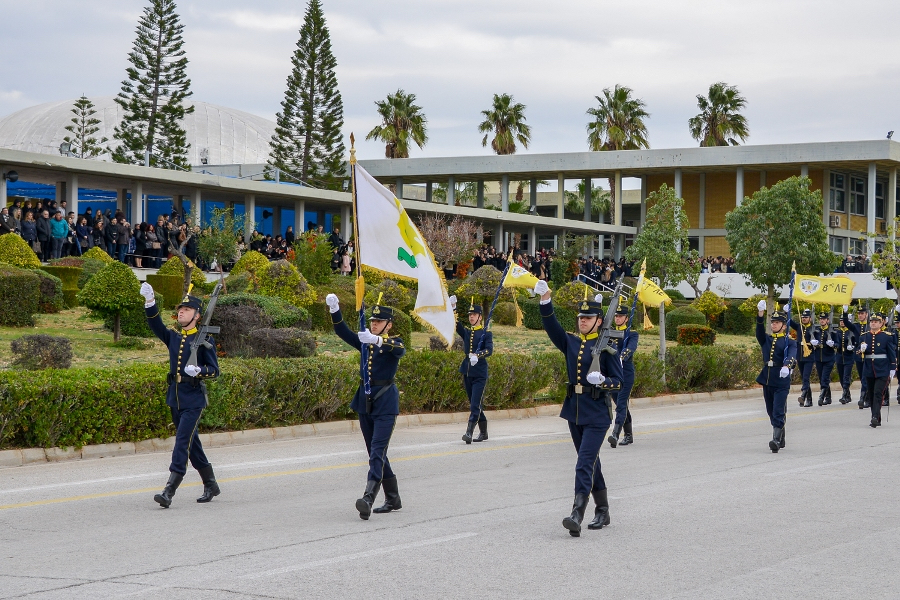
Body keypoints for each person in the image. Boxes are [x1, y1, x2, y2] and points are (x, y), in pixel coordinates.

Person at [535, 280, 624, 536]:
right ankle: (603, 509)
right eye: (580, 317)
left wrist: (604, 381)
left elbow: (619, 384)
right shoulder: (572, 343)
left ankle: (577, 512)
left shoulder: (608, 348)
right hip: (574, 411)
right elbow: (552, 328)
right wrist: (546, 300)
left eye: (588, 318)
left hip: (597, 413)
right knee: (591, 462)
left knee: (584, 462)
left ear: (599, 321)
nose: (582, 321)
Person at [326, 292, 406, 519]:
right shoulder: (364, 341)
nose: (374, 324)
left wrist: (378, 340)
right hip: (365, 402)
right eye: (372, 321)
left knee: (377, 452)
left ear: (388, 325)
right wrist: (335, 310)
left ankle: (368, 497)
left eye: (378, 322)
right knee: (375, 452)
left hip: (386, 403)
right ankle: (393, 498)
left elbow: (400, 350)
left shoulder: (392, 341)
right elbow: (342, 331)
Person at [141, 283, 221, 507]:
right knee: (192, 444)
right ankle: (211, 483)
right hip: (175, 397)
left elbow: (214, 370)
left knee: (181, 442)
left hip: (193, 399)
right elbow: (156, 325)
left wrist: (200, 371)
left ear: (197, 315)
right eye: (180, 310)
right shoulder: (175, 338)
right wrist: (150, 303)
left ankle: (169, 489)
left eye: (186, 310)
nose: (181, 313)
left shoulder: (205, 340)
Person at [450, 295, 493, 444]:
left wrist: (478, 355)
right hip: (467, 371)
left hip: (480, 373)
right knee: (475, 404)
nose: (471, 317)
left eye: (474, 315)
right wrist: (453, 308)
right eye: (470, 315)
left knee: (475, 405)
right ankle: (484, 432)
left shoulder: (486, 333)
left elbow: (489, 350)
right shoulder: (468, 333)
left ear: (480, 317)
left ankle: (468, 432)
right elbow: (457, 326)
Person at [755, 302, 798, 453]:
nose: (774, 325)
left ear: (784, 325)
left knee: (778, 410)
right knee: (770, 410)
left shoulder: (789, 342)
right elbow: (759, 332)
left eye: (777, 322)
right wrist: (760, 314)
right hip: (768, 378)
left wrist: (787, 366)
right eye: (773, 322)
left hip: (781, 379)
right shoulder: (766, 339)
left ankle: (775, 440)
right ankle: (781, 436)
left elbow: (792, 355)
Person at [858, 311, 896, 428]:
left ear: (881, 324)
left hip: (882, 369)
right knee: (871, 394)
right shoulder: (864, 336)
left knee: (878, 393)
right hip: (869, 369)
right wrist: (861, 350)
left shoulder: (886, 336)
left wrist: (893, 367)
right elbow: (858, 354)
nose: (873, 324)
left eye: (876, 322)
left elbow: (891, 353)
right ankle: (877, 417)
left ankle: (874, 417)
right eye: (872, 322)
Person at [609, 303, 638, 447]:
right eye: (616, 316)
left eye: (620, 316)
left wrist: (622, 355)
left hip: (626, 374)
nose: (617, 318)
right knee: (622, 405)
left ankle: (615, 433)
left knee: (621, 404)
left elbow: (631, 348)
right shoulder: (611, 332)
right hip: (614, 374)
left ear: (627, 318)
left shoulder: (631, 334)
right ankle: (629, 435)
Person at [810, 311, 838, 406]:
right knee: (822, 378)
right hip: (818, 357)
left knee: (824, 378)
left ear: (827, 320)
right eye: (820, 319)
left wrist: (833, 344)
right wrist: (813, 342)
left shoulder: (832, 331)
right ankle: (828, 397)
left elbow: (837, 344)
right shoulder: (817, 330)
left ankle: (821, 396)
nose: (822, 321)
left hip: (829, 358)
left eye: (823, 319)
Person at [788, 309, 814, 407]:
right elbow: (789, 322)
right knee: (804, 378)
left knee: (806, 377)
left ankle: (803, 396)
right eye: (802, 317)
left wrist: (814, 342)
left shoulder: (813, 328)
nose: (804, 319)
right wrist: (788, 312)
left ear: (810, 319)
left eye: (806, 317)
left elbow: (818, 339)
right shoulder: (799, 327)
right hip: (800, 356)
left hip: (809, 357)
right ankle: (809, 400)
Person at [835, 307, 857, 404]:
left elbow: (856, 342)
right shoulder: (837, 332)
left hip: (849, 357)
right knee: (841, 377)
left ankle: (844, 395)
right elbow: (836, 343)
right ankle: (848, 395)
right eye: (841, 321)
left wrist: (853, 347)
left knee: (846, 377)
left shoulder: (850, 331)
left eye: (843, 321)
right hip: (840, 356)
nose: (842, 323)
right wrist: (835, 345)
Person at [853, 305, 870, 407]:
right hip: (859, 356)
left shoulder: (870, 326)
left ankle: (863, 398)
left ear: (866, 314)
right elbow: (846, 323)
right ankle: (866, 397)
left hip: (868, 356)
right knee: (862, 377)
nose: (860, 315)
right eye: (859, 314)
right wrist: (845, 312)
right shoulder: (856, 326)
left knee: (865, 378)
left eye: (862, 313)